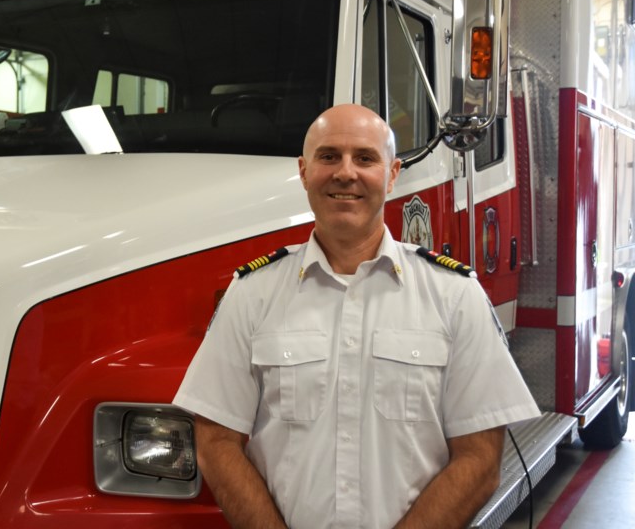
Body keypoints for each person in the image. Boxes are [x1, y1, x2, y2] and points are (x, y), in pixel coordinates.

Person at [173, 104, 540, 529]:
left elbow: (479, 459)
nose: (345, 173)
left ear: (392, 173)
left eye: (365, 158)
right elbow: (216, 441)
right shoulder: (252, 294)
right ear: (304, 171)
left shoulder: (454, 295)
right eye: (329, 156)